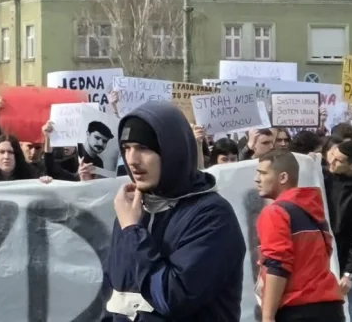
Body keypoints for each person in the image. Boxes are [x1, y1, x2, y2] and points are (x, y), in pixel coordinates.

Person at [102, 101, 245, 322]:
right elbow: (115, 296)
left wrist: (132, 230)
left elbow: (170, 297)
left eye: (143, 148)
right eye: (127, 148)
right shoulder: (133, 210)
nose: (132, 160)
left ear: (173, 151)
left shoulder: (212, 216)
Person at [256, 148, 344, 321]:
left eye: (263, 173)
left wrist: (267, 317)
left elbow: (277, 264)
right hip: (330, 308)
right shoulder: (313, 209)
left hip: (297, 309)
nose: (257, 179)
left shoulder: (275, 212)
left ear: (282, 178)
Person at [326, 140, 352, 321]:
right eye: (332, 156)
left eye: (338, 160)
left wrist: (350, 273)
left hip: (351, 271)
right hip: (332, 263)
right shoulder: (329, 178)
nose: (332, 162)